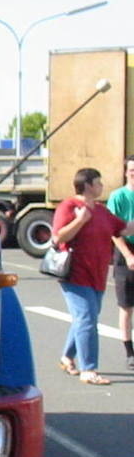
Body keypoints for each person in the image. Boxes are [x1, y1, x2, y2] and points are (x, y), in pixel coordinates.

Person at [53, 167, 134, 385]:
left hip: (97, 276)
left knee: (86, 318)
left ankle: (67, 357)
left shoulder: (101, 210)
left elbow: (123, 229)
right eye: (98, 183)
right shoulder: (69, 206)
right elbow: (58, 237)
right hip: (75, 275)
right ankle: (89, 369)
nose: (101, 186)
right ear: (88, 185)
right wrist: (79, 221)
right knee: (87, 319)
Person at [106, 155, 134, 369]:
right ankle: (129, 352)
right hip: (126, 251)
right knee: (126, 306)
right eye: (132, 170)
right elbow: (113, 231)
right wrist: (128, 255)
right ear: (126, 172)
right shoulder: (118, 197)